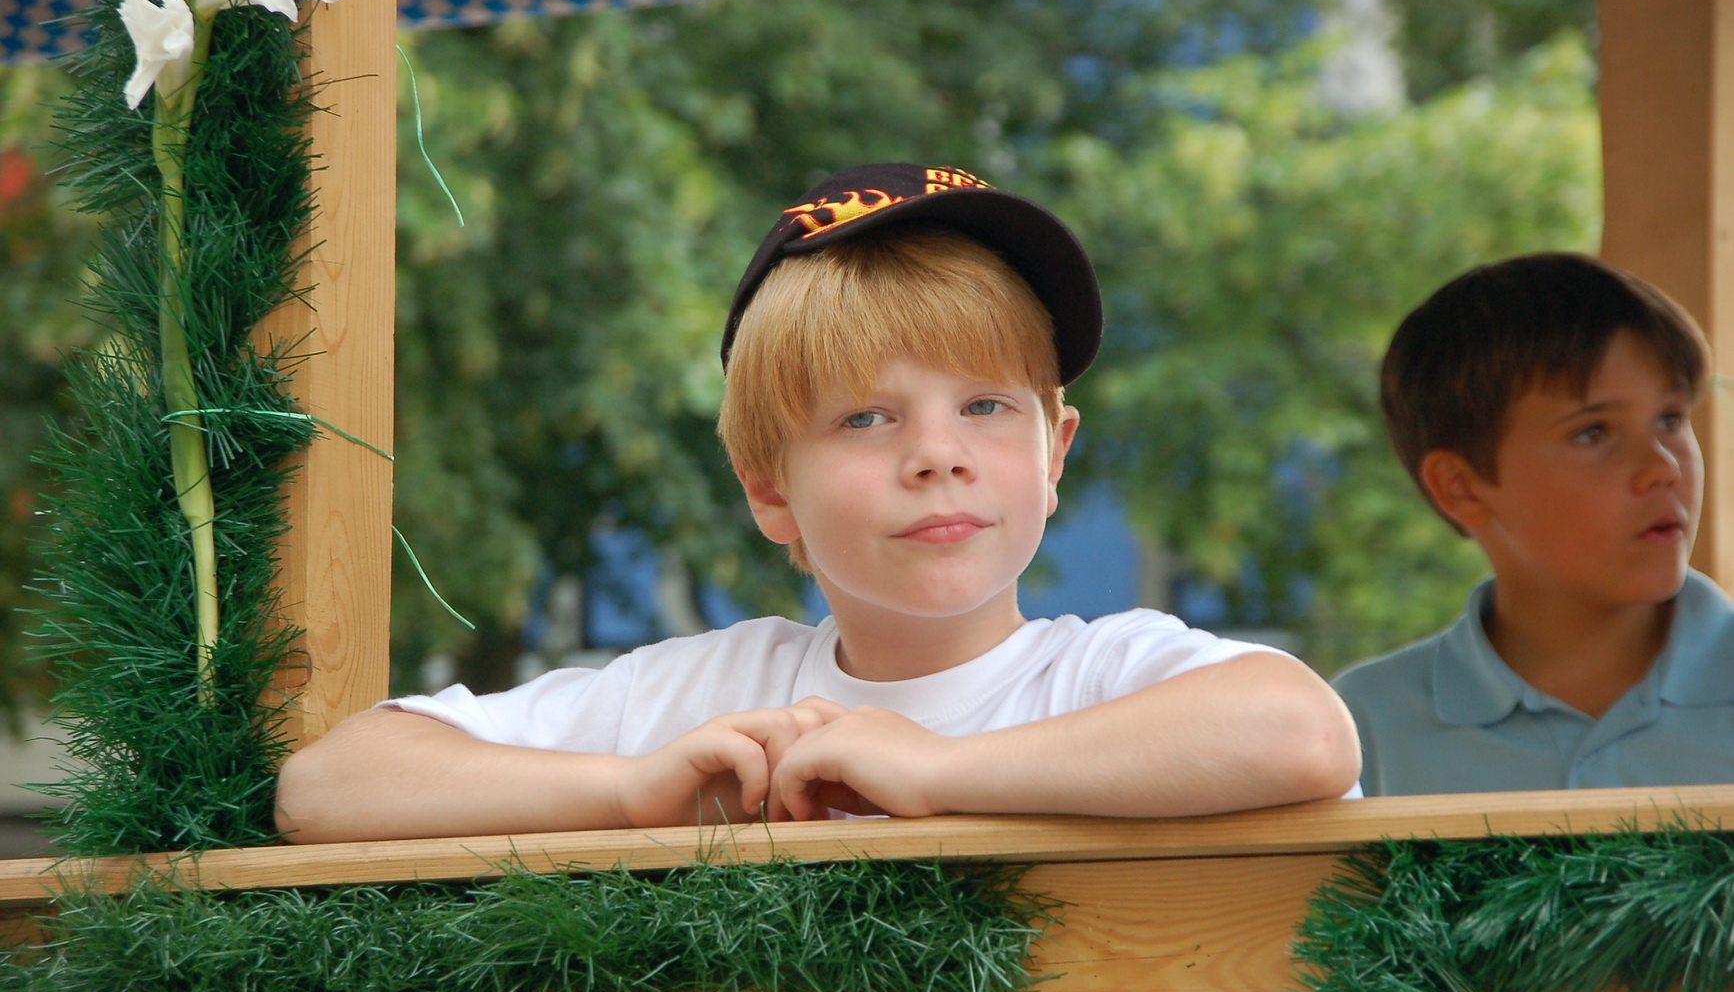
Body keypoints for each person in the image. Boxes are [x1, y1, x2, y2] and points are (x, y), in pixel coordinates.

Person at [275, 163, 1358, 842]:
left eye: (985, 404)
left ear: (1055, 446)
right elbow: (329, 785)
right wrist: (628, 791)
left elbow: (1302, 735)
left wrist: (937, 772)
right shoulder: (707, 696)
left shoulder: (1106, 672)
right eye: (864, 420)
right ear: (766, 491)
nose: (938, 456)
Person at [1334, 252, 1734, 796]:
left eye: (1670, 420)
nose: (1661, 468)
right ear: (1462, 486)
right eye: (1593, 432)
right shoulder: (1361, 733)